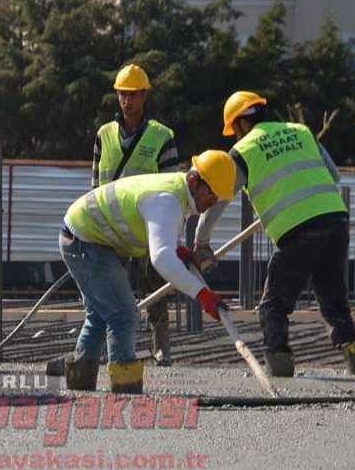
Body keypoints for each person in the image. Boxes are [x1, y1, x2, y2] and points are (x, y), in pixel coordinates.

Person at [195, 91, 355, 377]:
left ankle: (281, 370)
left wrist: (201, 241)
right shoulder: (302, 131)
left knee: (273, 306)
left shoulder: (242, 151)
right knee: (333, 298)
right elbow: (333, 175)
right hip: (335, 220)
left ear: (239, 125)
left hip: (297, 231)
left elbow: (219, 197)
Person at [60, 150, 236, 393]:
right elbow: (162, 258)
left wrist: (180, 251)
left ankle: (80, 380)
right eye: (212, 194)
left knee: (101, 315)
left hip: (83, 236)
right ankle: (125, 386)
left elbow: (164, 240)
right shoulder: (167, 200)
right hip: (85, 241)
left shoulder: (178, 195)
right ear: (195, 182)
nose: (213, 203)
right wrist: (202, 296)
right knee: (123, 313)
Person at [92, 63, 180, 365]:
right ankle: (108, 348)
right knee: (107, 289)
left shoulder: (161, 136)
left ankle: (161, 346)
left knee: (153, 285)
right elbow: (95, 184)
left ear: (144, 96)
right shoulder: (104, 135)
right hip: (111, 227)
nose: (126, 101)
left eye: (132, 94)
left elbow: (171, 185)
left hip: (145, 227)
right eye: (122, 94)